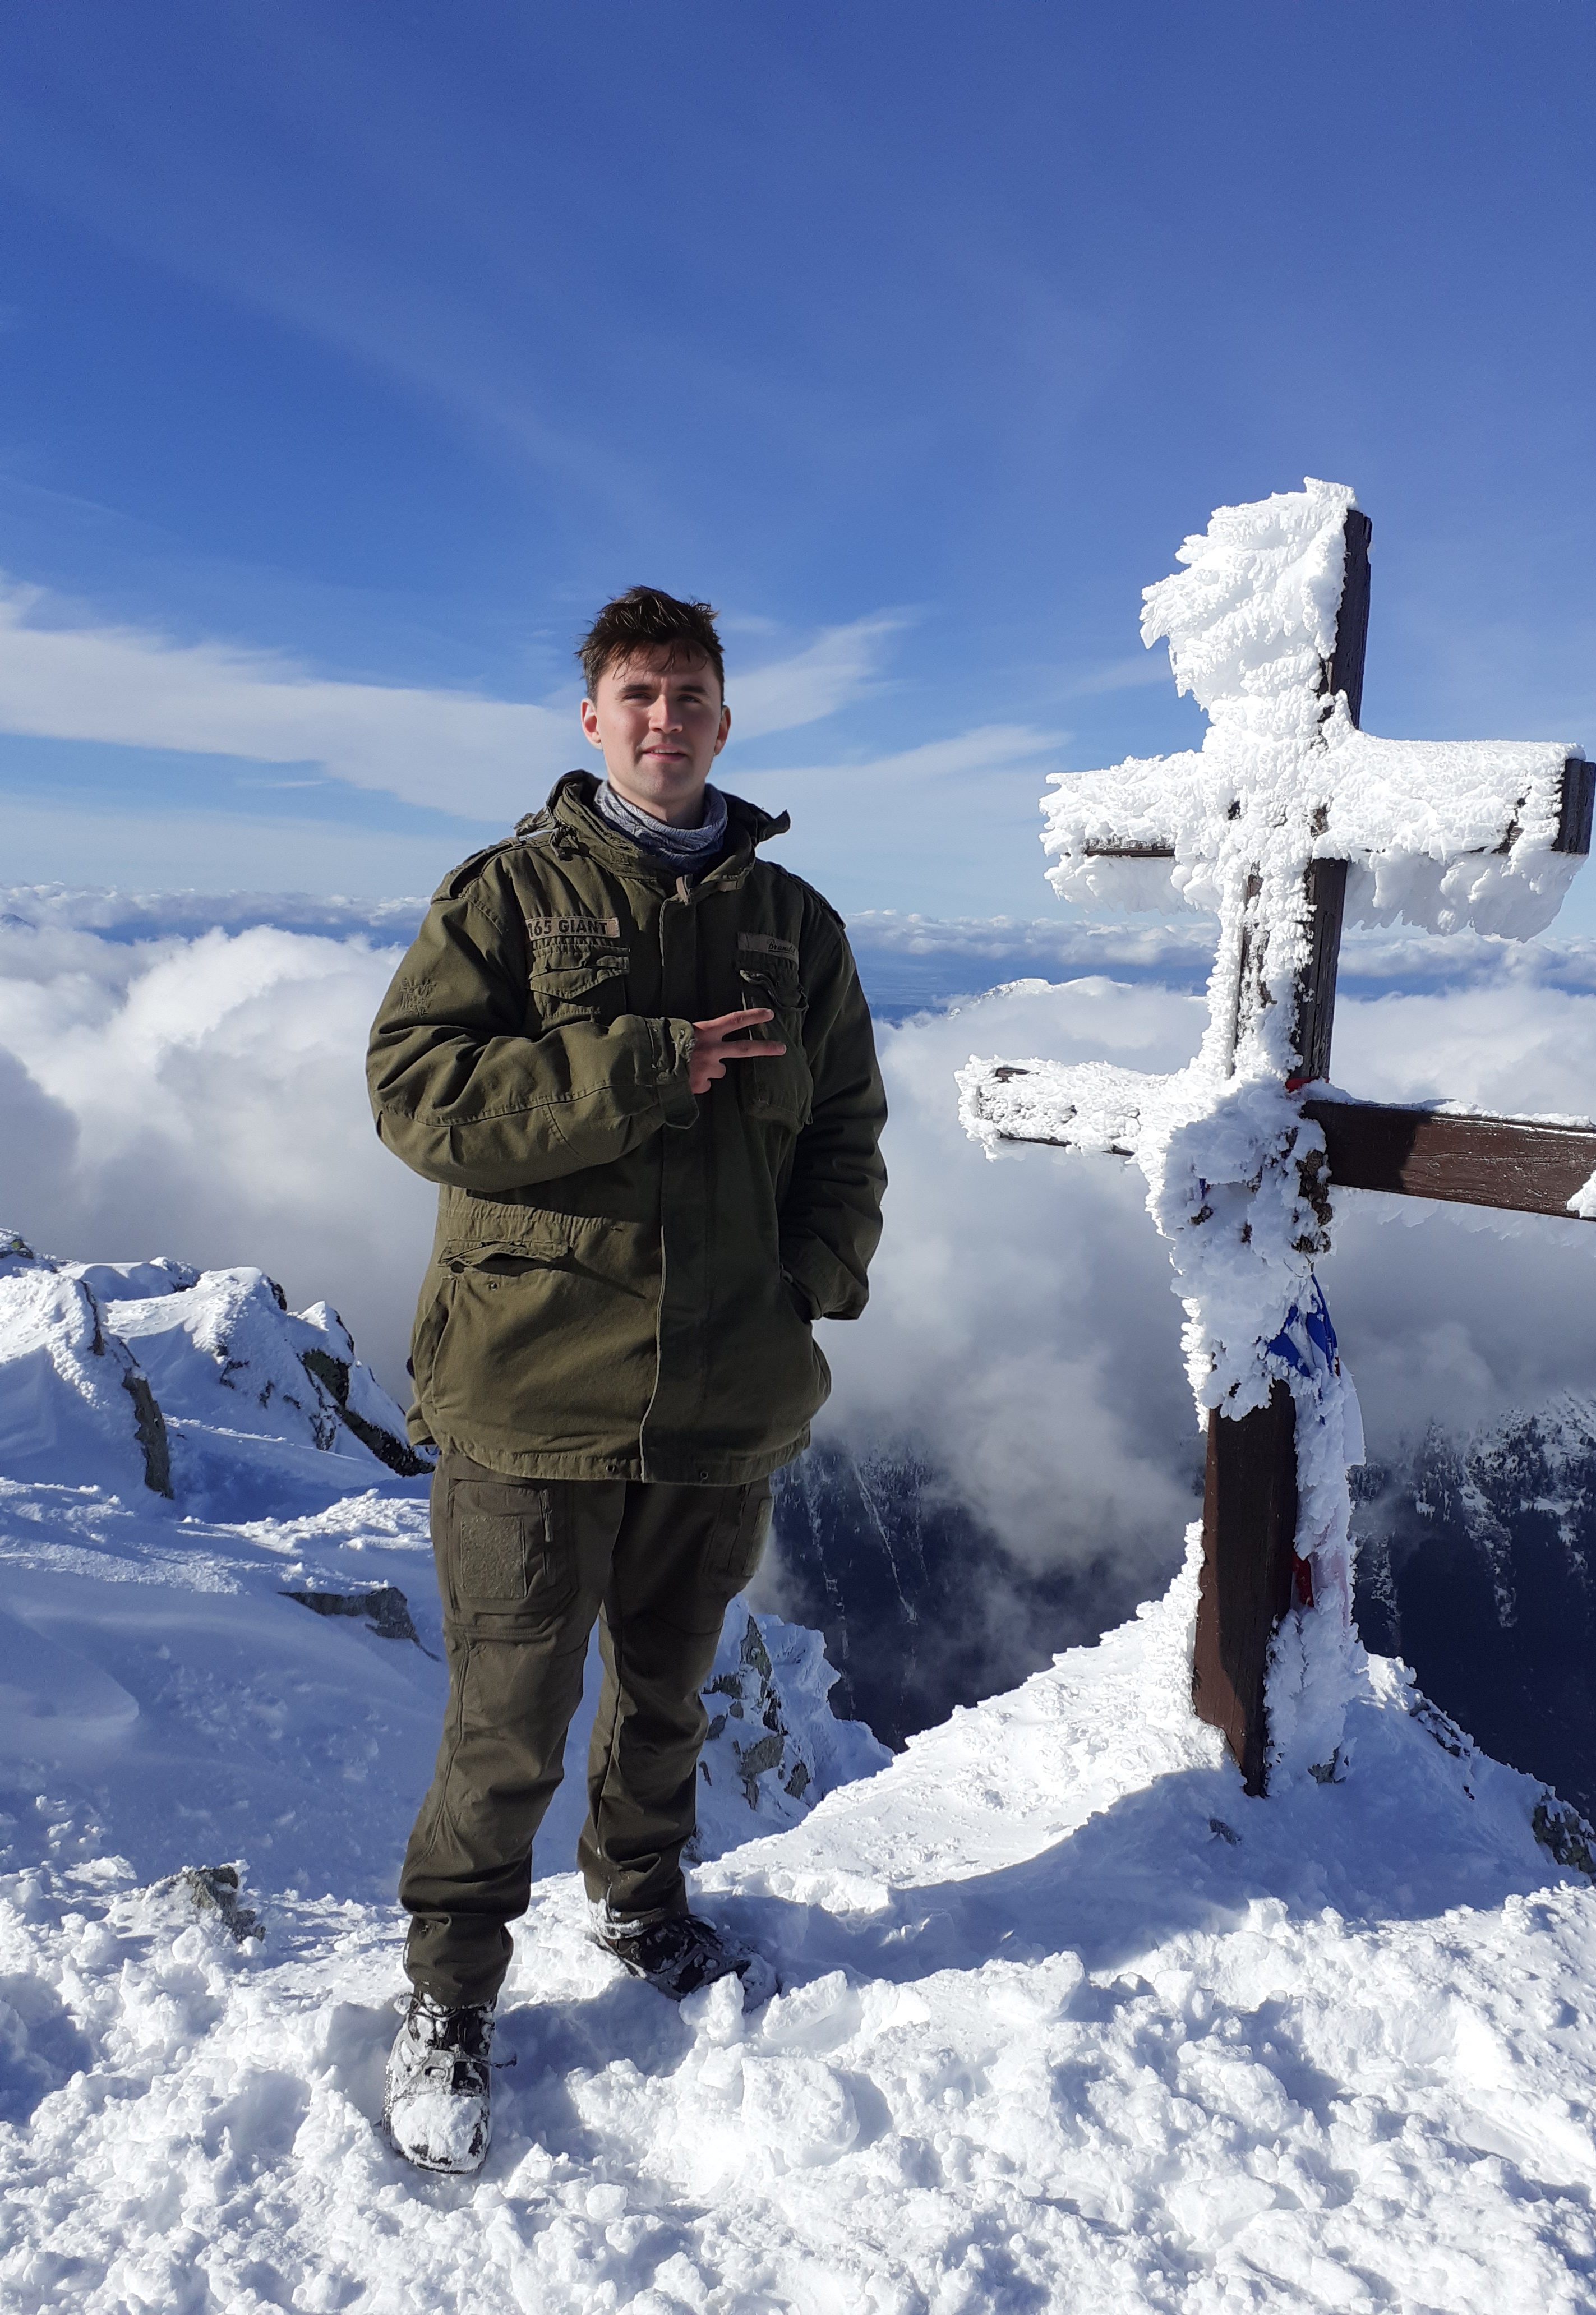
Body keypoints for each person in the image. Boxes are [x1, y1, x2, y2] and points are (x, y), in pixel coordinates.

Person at [365, 587, 887, 2174]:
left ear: (727, 719)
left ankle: (643, 1905)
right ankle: (450, 1994)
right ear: (592, 719)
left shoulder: (795, 926)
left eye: (692, 694)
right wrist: (643, 1064)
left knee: (669, 1688)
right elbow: (420, 1098)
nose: (667, 718)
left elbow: (848, 1130)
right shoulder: (510, 897)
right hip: (533, 1388)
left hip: (726, 1391)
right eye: (638, 694)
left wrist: (812, 1283)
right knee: (510, 1714)